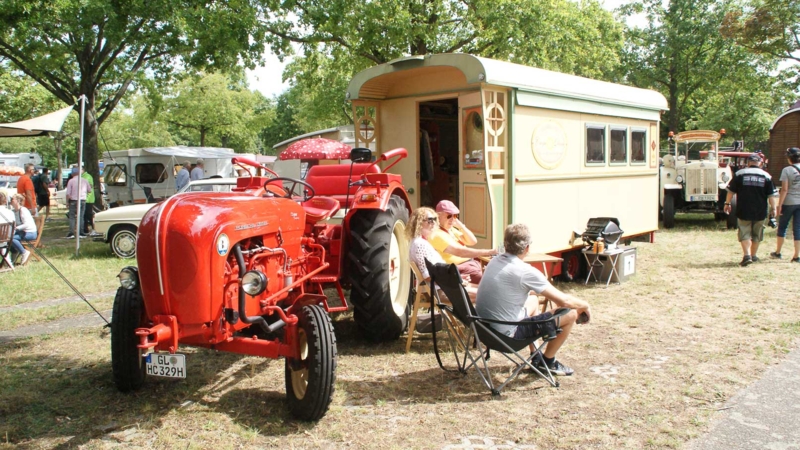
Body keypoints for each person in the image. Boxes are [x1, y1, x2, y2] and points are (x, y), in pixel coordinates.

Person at [476, 223, 591, 376]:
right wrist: (585, 305)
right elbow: (564, 301)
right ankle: (548, 362)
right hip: (508, 336)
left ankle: (536, 355)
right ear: (527, 248)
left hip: (485, 331)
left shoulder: (494, 261)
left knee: (533, 300)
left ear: (505, 244)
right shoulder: (525, 271)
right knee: (570, 313)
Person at [724, 153, 778, 266]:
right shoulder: (767, 176)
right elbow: (771, 195)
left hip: (743, 208)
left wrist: (727, 203)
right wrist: (774, 209)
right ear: (760, 163)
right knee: (757, 234)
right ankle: (753, 256)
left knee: (744, 232)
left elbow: (730, 191)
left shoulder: (740, 174)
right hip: (760, 210)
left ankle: (747, 255)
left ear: (748, 163)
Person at [429, 200, 497, 284]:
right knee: (492, 281)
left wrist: (461, 226)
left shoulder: (451, 229)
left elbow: (473, 241)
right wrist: (489, 252)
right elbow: (460, 252)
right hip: (459, 269)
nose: (452, 219)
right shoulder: (436, 234)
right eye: (449, 216)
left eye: (455, 216)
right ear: (438, 216)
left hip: (471, 265)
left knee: (496, 275)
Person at [771, 147, 800, 263]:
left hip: (789, 202)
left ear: (789, 158)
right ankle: (796, 256)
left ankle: (778, 252)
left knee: (783, 226)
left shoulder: (787, 170)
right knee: (798, 228)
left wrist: (779, 205)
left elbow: (784, 189)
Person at [9, 194, 36, 265]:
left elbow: (27, 224)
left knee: (12, 239)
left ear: (18, 201)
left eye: (12, 199)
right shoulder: (13, 211)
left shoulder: (23, 210)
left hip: (30, 233)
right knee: (7, 238)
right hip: (20, 232)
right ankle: (14, 253)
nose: (11, 201)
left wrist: (17, 228)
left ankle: (24, 252)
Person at [65, 167, 91, 238]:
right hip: (82, 200)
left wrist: (67, 202)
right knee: (81, 216)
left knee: (72, 217)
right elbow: (89, 190)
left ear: (73, 174)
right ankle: (81, 232)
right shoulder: (85, 180)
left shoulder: (71, 181)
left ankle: (71, 233)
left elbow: (68, 193)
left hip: (73, 200)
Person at [81, 167, 96, 235]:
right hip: (84, 198)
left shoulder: (87, 176)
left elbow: (89, 187)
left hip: (88, 199)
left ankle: (94, 228)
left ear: (83, 170)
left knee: (89, 215)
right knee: (84, 215)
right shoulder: (81, 176)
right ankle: (85, 229)